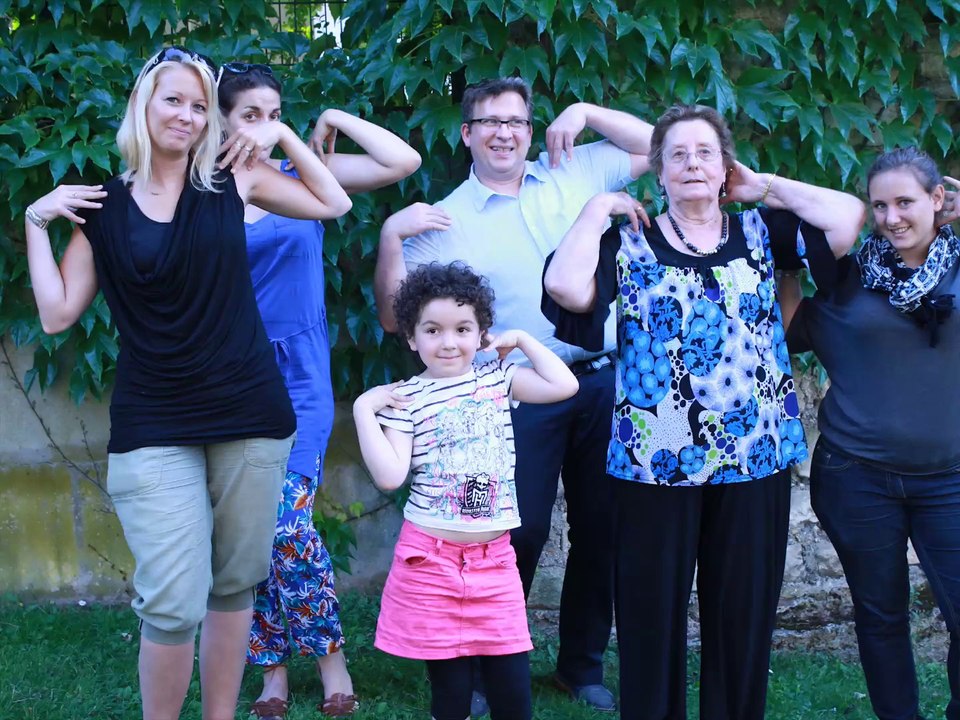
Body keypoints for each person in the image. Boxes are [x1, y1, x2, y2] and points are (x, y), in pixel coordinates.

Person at [22, 46, 352, 720]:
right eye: (174, 99)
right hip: (155, 422)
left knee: (234, 585)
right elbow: (57, 315)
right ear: (143, 105)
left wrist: (281, 134)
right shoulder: (103, 206)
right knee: (172, 599)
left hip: (252, 414)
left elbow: (333, 201)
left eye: (201, 106)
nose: (188, 114)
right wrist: (36, 219)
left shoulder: (236, 180)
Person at [542, 103, 866, 720]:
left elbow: (849, 218)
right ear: (657, 171)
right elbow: (566, 290)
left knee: (741, 616)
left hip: (754, 457)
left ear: (725, 168)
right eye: (677, 155)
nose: (691, 164)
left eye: (705, 153)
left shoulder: (763, 231)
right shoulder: (627, 238)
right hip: (654, 463)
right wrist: (592, 211)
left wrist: (765, 187)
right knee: (649, 617)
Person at [374, 76, 653, 713]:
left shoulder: (575, 167)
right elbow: (396, 319)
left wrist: (586, 109)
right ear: (467, 133)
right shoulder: (445, 220)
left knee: (602, 530)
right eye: (490, 121)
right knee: (513, 531)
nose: (505, 132)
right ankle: (480, 669)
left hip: (606, 378)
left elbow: (662, 145)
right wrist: (392, 235)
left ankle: (580, 666)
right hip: (517, 391)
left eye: (517, 121)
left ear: (531, 129)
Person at [217, 63, 421, 719]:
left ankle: (328, 657)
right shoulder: (206, 188)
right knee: (249, 532)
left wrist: (321, 127)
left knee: (287, 524)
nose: (264, 125)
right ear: (221, 119)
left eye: (274, 111)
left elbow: (402, 160)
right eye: (250, 113)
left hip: (300, 377)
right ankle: (272, 673)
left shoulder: (303, 176)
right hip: (233, 375)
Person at [354, 262, 579, 720]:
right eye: (432, 330)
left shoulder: (498, 380)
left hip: (494, 561)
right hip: (431, 562)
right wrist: (363, 408)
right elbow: (390, 477)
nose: (449, 342)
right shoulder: (406, 399)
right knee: (452, 694)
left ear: (481, 335)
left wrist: (523, 341)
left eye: (462, 329)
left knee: (513, 691)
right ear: (413, 338)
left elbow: (564, 384)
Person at [781, 147, 960, 720]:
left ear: (938, 200)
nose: (892, 217)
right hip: (856, 477)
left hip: (952, 480)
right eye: (880, 205)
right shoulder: (846, 278)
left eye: (906, 201)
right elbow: (784, 329)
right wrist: (783, 264)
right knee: (880, 615)